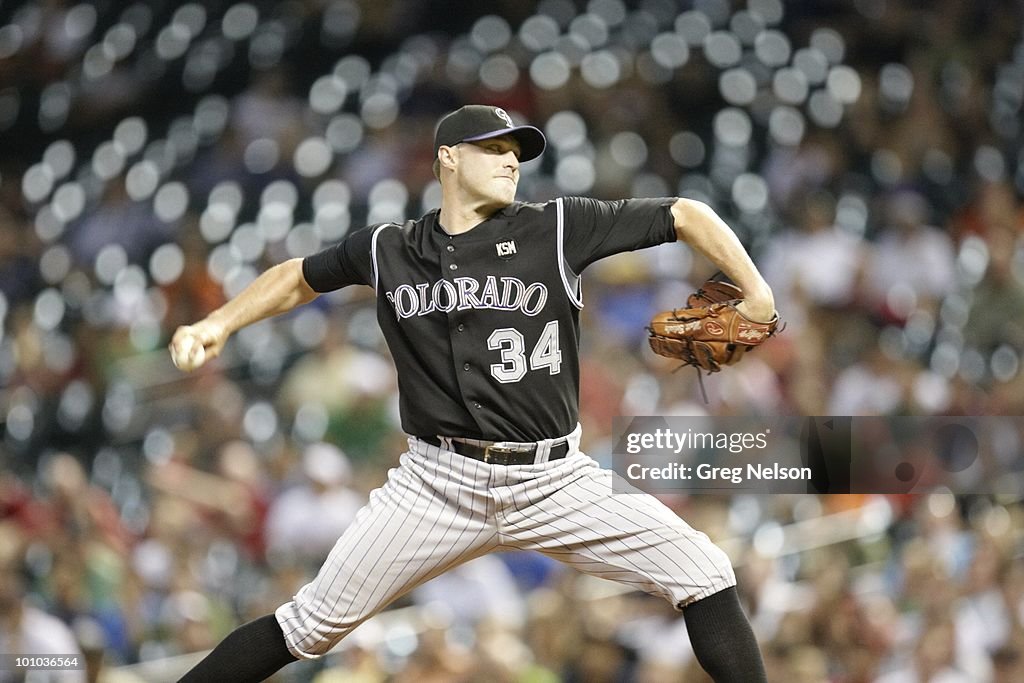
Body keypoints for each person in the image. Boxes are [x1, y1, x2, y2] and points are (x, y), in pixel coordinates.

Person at [170, 105, 775, 682]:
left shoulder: (558, 226)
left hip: (555, 481)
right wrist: (216, 323)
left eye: (517, 152)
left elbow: (686, 214)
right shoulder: (390, 248)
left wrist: (756, 293)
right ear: (448, 159)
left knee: (705, 571)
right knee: (308, 627)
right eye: (494, 149)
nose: (511, 161)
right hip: (435, 484)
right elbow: (298, 278)